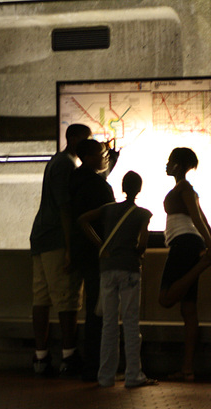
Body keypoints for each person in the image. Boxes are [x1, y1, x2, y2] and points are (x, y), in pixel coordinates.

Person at [158, 147, 211, 381]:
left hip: (184, 243)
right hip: (191, 243)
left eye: (170, 161)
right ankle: (187, 370)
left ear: (179, 166)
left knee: (166, 298)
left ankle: (204, 263)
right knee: (188, 310)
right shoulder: (185, 189)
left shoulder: (185, 189)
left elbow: (198, 218)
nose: (167, 164)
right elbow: (204, 219)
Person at [78, 171, 158, 388]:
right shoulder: (143, 214)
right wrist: (137, 252)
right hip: (129, 270)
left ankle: (105, 376)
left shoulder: (108, 209)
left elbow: (83, 220)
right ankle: (134, 375)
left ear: (122, 186)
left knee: (109, 325)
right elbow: (142, 243)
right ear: (139, 189)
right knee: (131, 323)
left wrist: (100, 245)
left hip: (107, 269)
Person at [29, 123, 91, 377]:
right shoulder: (66, 164)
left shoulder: (56, 162)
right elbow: (66, 206)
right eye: (87, 139)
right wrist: (69, 246)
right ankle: (68, 355)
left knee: (41, 298)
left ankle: (41, 357)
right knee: (67, 297)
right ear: (74, 138)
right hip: (56, 238)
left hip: (41, 237)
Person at [69, 138, 116, 381]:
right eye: (101, 153)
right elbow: (107, 214)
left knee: (90, 307)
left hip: (80, 252)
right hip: (97, 254)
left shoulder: (75, 179)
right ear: (88, 157)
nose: (105, 157)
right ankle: (96, 365)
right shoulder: (98, 185)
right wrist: (104, 246)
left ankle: (92, 365)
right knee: (99, 310)